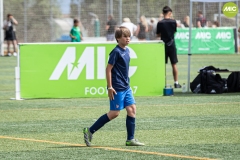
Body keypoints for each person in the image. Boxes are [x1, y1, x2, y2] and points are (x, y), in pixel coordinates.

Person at [83, 26, 144, 147]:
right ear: (117, 38)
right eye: (125, 36)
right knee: (114, 113)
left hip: (126, 87)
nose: (128, 38)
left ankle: (130, 139)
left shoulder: (127, 50)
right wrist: (110, 87)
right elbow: (108, 69)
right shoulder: (116, 52)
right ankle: (89, 130)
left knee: (132, 109)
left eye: (129, 36)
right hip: (117, 88)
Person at [156, 6, 181, 88]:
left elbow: (158, 34)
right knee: (174, 64)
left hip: (163, 45)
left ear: (163, 13)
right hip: (172, 45)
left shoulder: (160, 23)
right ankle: (176, 83)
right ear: (170, 13)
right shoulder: (173, 22)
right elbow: (174, 31)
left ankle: (161, 83)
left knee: (162, 65)